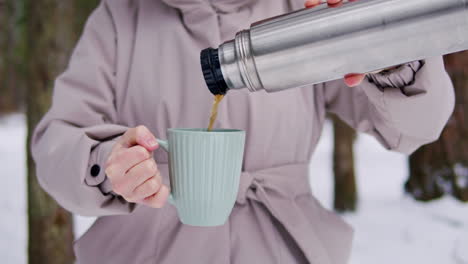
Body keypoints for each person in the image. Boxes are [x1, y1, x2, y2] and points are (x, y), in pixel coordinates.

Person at [31, 0, 455, 263]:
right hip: (146, 253)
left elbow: (415, 128)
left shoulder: (308, 10)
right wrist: (108, 163)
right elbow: (58, 142)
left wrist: (388, 51)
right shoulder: (120, 17)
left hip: (283, 249)